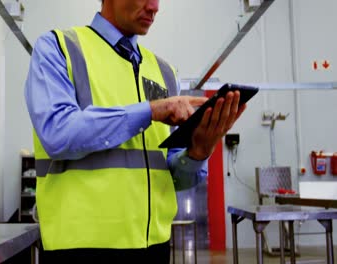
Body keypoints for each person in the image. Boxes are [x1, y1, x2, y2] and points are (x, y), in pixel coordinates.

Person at [25, 0, 245, 263]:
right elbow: (57, 133)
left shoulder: (164, 72)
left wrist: (199, 151)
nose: (154, 7)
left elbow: (175, 178)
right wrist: (150, 111)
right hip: (79, 248)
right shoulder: (59, 48)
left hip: (155, 247)